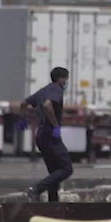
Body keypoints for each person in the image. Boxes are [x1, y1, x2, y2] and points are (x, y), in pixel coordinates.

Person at [23, 67, 74, 202]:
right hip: (50, 134)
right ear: (61, 79)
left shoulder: (44, 90)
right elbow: (47, 105)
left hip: (41, 135)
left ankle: (53, 203)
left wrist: (23, 119)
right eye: (66, 79)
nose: (66, 82)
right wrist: (56, 125)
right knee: (66, 168)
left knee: (54, 172)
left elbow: (24, 103)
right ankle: (36, 189)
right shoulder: (56, 89)